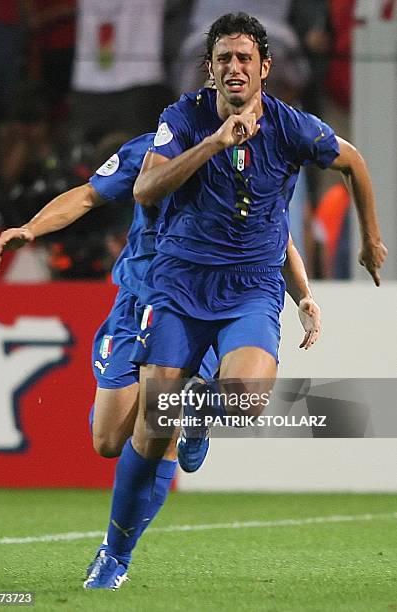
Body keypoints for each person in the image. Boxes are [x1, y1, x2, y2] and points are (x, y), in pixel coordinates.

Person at [84, 11, 386, 590]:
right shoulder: (184, 119)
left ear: (265, 67)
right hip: (178, 287)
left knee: (244, 403)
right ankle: (114, 554)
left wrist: (370, 239)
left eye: (245, 57)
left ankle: (197, 425)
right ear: (211, 69)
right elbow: (146, 188)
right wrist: (217, 142)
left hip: (249, 290)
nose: (235, 67)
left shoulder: (291, 126)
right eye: (224, 58)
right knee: (148, 429)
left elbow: (354, 162)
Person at [0, 126, 321, 589]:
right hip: (136, 300)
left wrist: (303, 295)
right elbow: (89, 195)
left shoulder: (247, 157)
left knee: (159, 425)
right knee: (108, 440)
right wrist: (30, 228)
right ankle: (184, 417)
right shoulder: (153, 151)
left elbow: (276, 236)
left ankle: (116, 554)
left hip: (192, 305)